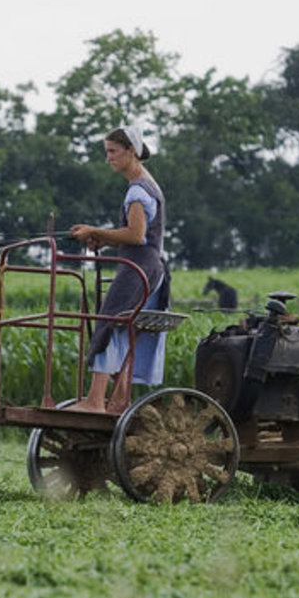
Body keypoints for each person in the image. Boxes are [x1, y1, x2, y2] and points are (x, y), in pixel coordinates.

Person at [68, 125, 169, 413]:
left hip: (138, 269)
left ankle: (94, 401)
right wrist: (103, 238)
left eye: (113, 151)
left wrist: (93, 229)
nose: (108, 158)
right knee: (126, 330)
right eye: (107, 152)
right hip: (153, 269)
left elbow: (136, 236)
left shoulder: (137, 191)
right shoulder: (148, 184)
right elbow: (140, 237)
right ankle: (118, 401)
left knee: (109, 322)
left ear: (131, 152)